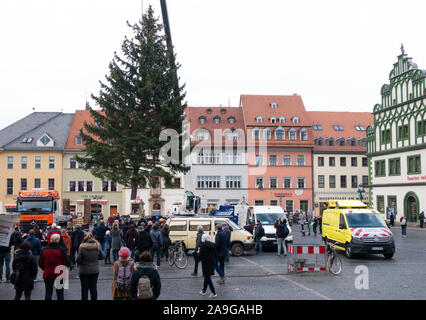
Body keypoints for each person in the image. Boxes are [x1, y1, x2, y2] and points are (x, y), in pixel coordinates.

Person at [39, 233, 69, 300]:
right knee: (60, 293)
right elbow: (66, 262)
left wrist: (45, 268)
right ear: (58, 240)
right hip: (59, 273)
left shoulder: (44, 250)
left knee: (48, 292)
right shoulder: (61, 250)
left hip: (48, 273)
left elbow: (40, 263)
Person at [76, 232, 105, 300]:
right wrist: (96, 258)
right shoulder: (97, 246)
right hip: (94, 270)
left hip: (84, 270)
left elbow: (78, 259)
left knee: (84, 288)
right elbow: (102, 256)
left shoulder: (82, 247)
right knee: (93, 287)